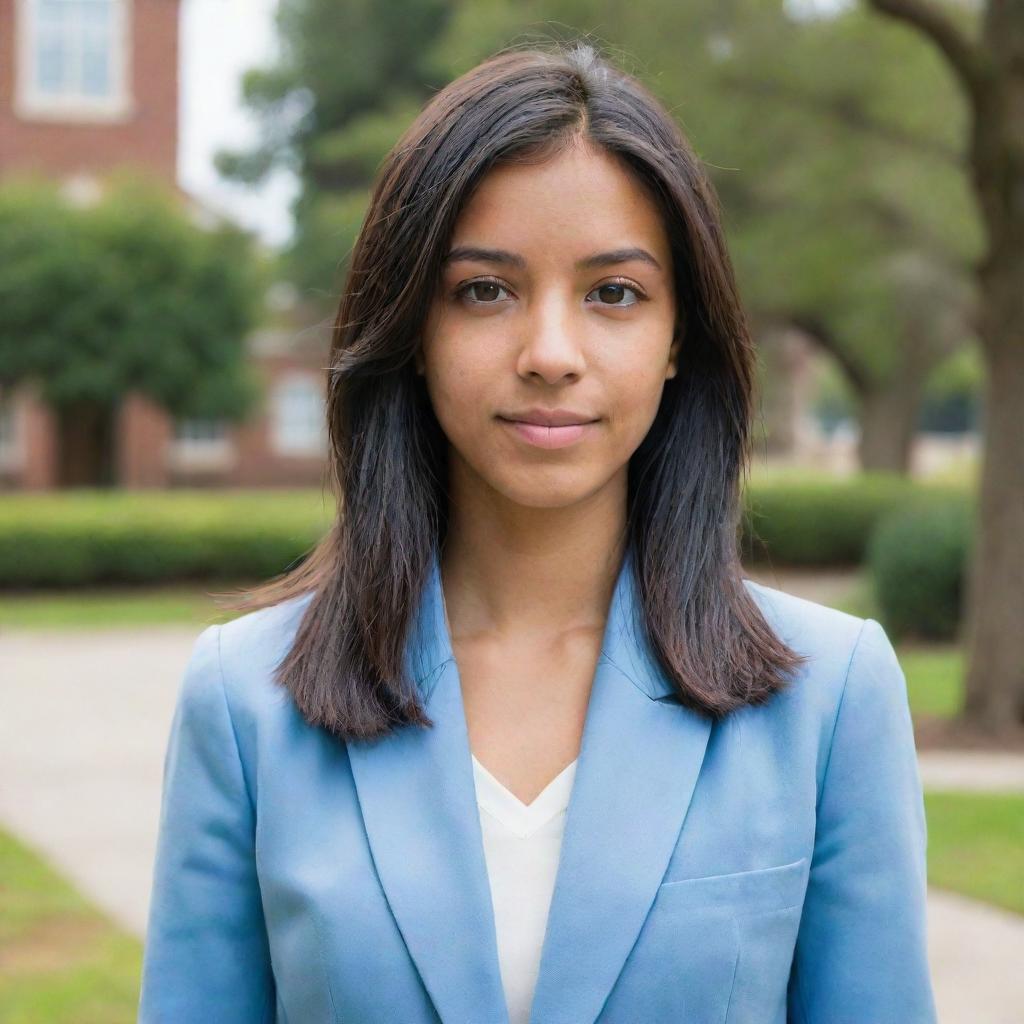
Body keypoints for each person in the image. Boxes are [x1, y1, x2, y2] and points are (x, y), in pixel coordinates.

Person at [138, 41, 937, 1024]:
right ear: (414, 330)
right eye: (484, 289)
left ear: (677, 335)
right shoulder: (246, 702)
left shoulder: (830, 695)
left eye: (613, 293)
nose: (549, 354)